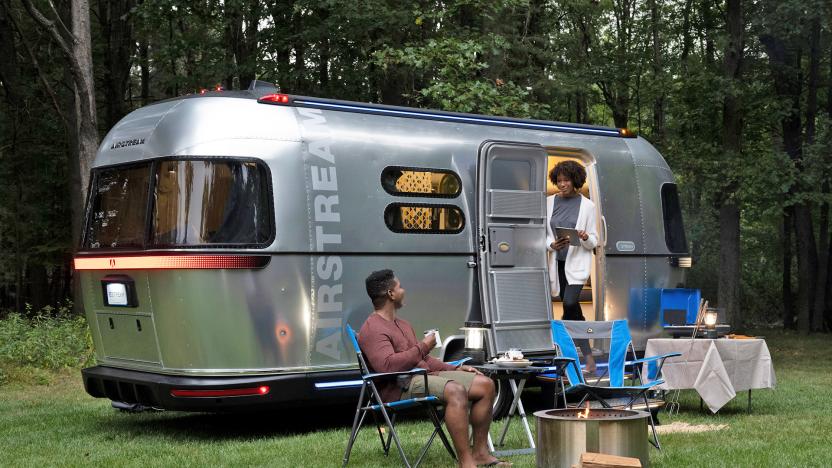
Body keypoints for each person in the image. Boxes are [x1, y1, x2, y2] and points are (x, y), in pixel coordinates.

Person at [358, 269, 510, 468]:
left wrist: (455, 368)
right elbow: (387, 366)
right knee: (455, 390)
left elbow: (425, 360)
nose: (403, 290)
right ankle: (466, 462)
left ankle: (480, 453)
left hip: (422, 376)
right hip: (398, 387)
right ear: (390, 294)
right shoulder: (372, 328)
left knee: (486, 385)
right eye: (400, 286)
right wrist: (423, 346)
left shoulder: (402, 324)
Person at [545, 160, 599, 373]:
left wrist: (585, 237)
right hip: (556, 262)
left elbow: (594, 240)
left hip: (576, 265)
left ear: (575, 181)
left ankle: (563, 349)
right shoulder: (549, 202)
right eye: (559, 181)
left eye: (566, 180)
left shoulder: (587, 206)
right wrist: (551, 244)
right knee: (574, 309)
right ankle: (588, 358)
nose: (562, 184)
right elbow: (541, 234)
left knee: (568, 304)